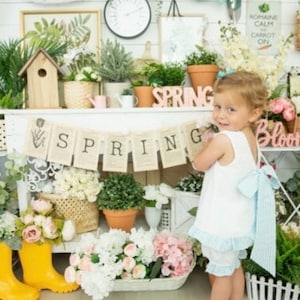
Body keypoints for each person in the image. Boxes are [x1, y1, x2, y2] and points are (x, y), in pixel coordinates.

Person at [189, 71, 278, 300]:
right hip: (238, 219)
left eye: (231, 109)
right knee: (234, 266)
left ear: (254, 113)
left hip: (222, 221)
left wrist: (208, 144)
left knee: (222, 275)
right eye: (217, 106)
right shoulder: (248, 136)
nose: (221, 115)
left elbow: (199, 164)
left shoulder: (224, 139)